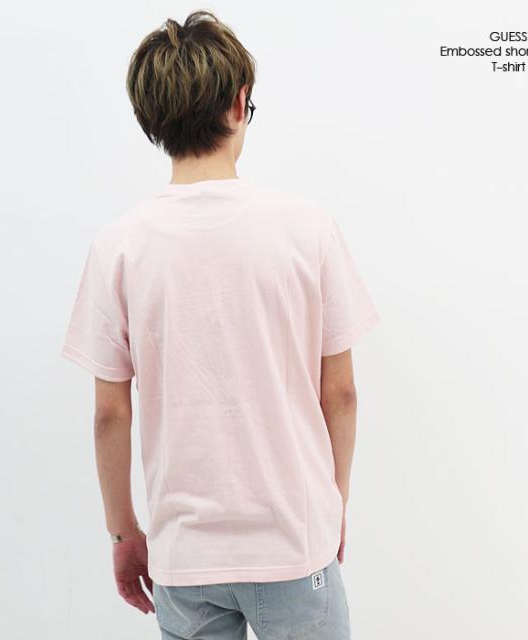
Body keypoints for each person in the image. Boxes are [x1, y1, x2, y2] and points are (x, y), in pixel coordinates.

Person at [60, 10, 380, 639]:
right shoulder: (307, 228)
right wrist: (331, 505)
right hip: (295, 545)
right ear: (239, 104)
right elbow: (339, 392)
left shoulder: (118, 246)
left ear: (151, 119)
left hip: (185, 558)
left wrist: (124, 533)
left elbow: (109, 413)